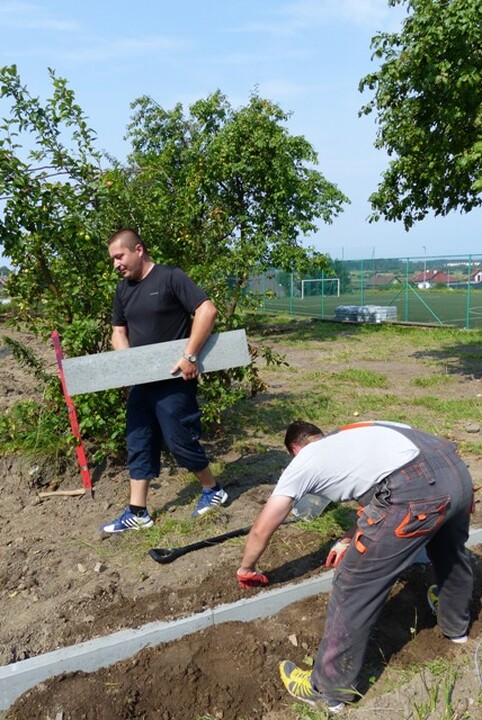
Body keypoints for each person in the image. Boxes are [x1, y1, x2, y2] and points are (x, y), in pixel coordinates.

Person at [236, 419, 474, 714]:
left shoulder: (303, 462)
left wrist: (247, 567)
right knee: (449, 553)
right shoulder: (359, 432)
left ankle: (327, 689)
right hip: (455, 470)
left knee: (352, 582)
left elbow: (262, 528)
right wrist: (348, 538)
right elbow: (383, 489)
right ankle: (456, 628)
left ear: (295, 450)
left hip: (413, 493)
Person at [101, 228, 227, 533]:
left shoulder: (170, 277)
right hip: (142, 383)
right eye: (113, 259)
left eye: (119, 256)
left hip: (174, 379)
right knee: (138, 441)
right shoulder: (123, 290)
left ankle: (213, 489)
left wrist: (190, 355)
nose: (116, 264)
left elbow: (207, 310)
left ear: (138, 250)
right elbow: (118, 331)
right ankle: (138, 512)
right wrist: (128, 364)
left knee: (179, 440)